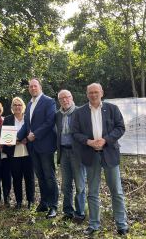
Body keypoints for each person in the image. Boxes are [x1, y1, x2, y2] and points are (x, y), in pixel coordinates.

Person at [71, 83, 129, 236]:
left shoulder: (112, 109)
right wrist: (88, 141)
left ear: (102, 93)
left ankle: (121, 224)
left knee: (116, 191)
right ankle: (94, 224)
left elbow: (120, 127)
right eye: (90, 92)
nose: (93, 95)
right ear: (87, 94)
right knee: (93, 192)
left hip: (109, 153)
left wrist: (106, 140)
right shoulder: (80, 112)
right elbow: (75, 133)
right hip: (91, 155)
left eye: (96, 92)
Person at [17, 78, 58, 219]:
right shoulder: (29, 104)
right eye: (30, 86)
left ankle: (53, 206)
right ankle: (44, 202)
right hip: (33, 146)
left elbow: (50, 121)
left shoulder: (49, 101)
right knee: (40, 176)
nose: (33, 88)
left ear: (40, 86)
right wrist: (15, 138)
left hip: (45, 146)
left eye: (35, 86)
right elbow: (26, 125)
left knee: (49, 176)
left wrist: (36, 134)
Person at [55, 90, 86, 222]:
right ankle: (68, 212)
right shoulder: (57, 115)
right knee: (65, 185)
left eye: (67, 97)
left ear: (72, 98)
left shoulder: (80, 112)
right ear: (59, 101)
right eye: (61, 99)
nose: (64, 100)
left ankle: (80, 213)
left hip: (77, 153)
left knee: (79, 184)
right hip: (63, 152)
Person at [2, 97, 35, 209]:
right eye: (15, 105)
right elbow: (7, 139)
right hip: (14, 154)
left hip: (28, 153)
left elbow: (32, 134)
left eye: (19, 104)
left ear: (23, 106)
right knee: (16, 179)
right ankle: (19, 201)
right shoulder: (7, 119)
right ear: (12, 107)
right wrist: (19, 140)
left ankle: (31, 201)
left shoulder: (29, 118)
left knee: (29, 178)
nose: (17, 107)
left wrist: (21, 139)